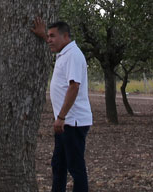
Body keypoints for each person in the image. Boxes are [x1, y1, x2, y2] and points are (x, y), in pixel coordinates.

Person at [32, 16, 93, 192]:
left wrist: (61, 117)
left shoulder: (73, 55)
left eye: (52, 36)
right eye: (48, 36)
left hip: (72, 122)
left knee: (75, 167)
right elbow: (54, 42)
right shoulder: (65, 52)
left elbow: (74, 86)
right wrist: (43, 35)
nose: (49, 40)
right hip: (65, 122)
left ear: (65, 36)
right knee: (59, 164)